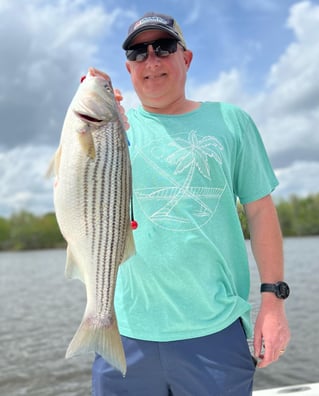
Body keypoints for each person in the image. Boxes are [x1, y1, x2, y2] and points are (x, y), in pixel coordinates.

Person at [92, 12, 290, 396]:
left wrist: (273, 302)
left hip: (214, 333)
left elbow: (261, 213)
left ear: (187, 57)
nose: (151, 60)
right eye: (138, 52)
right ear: (128, 68)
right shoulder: (113, 130)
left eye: (164, 47)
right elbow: (78, 189)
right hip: (123, 332)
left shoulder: (232, 122)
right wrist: (96, 125)